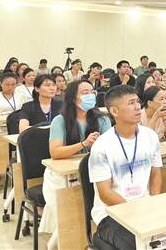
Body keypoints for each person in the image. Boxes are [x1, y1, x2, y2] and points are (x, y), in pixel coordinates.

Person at [89, 85, 162, 249]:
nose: (137, 107)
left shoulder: (150, 136)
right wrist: (133, 211)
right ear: (114, 111)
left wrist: (155, 203)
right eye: (130, 103)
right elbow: (105, 193)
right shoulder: (102, 145)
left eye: (137, 101)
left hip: (145, 206)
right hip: (112, 214)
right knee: (139, 244)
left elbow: (156, 174)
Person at [41, 80, 111, 235]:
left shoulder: (103, 119)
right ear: (73, 98)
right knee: (70, 209)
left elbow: (110, 149)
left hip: (95, 168)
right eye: (85, 93)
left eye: (92, 92)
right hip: (62, 175)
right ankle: (69, 234)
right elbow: (55, 152)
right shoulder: (60, 121)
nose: (90, 95)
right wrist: (83, 144)